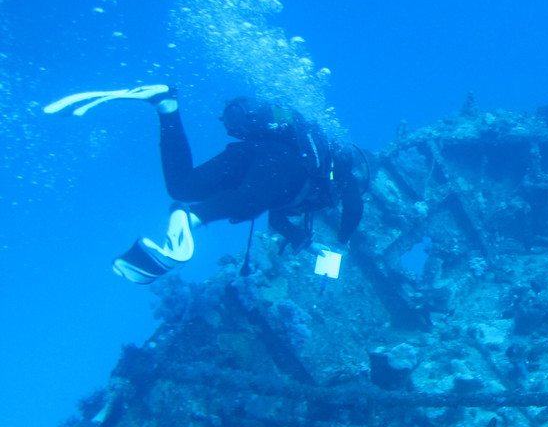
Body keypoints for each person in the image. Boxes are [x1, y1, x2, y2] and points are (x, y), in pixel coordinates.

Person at [45, 84, 367, 283]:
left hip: (252, 156)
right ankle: (192, 218)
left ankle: (166, 105)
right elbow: (354, 207)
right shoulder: (342, 174)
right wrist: (343, 241)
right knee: (248, 201)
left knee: (183, 188)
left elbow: (276, 216)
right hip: (277, 163)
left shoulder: (316, 182)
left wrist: (307, 244)